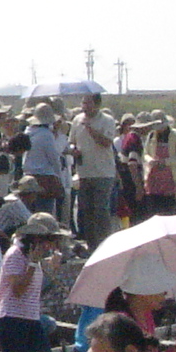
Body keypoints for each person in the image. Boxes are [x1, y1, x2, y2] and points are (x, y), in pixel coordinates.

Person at [0, 214, 65, 352]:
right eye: (47, 240)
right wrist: (33, 264)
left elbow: (36, 291)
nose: (49, 246)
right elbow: (17, 290)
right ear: (35, 239)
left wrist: (50, 267)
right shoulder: (15, 255)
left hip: (31, 318)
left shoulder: (33, 259)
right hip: (12, 319)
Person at [70, 92, 120, 247]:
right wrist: (73, 150)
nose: (84, 107)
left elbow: (106, 142)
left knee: (101, 210)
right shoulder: (77, 121)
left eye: (88, 103)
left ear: (97, 104)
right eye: (83, 103)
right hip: (84, 172)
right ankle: (91, 245)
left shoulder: (107, 120)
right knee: (86, 210)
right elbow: (71, 141)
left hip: (103, 173)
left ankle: (104, 243)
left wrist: (91, 130)